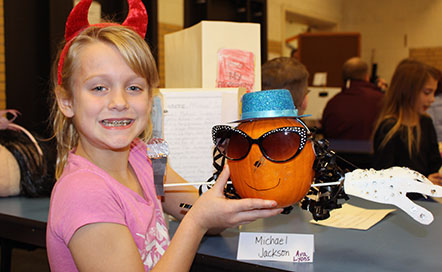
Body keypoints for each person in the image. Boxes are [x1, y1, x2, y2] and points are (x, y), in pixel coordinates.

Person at [46, 1, 282, 271]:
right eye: (99, 87)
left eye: (134, 87)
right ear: (67, 101)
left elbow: (196, 207)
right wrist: (197, 221)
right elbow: (197, 216)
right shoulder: (84, 193)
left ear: (150, 100)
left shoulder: (145, 159)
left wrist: (238, 200)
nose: (119, 101)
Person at [373, 59, 442, 189]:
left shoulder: (425, 122)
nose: (432, 99)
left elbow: (434, 163)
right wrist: (423, 184)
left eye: (434, 93)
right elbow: (385, 182)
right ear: (408, 91)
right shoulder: (389, 129)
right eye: (427, 93)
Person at [321, 57, 384, 140]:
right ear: (366, 76)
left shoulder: (333, 103)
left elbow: (326, 133)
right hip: (372, 152)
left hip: (338, 152)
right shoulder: (380, 99)